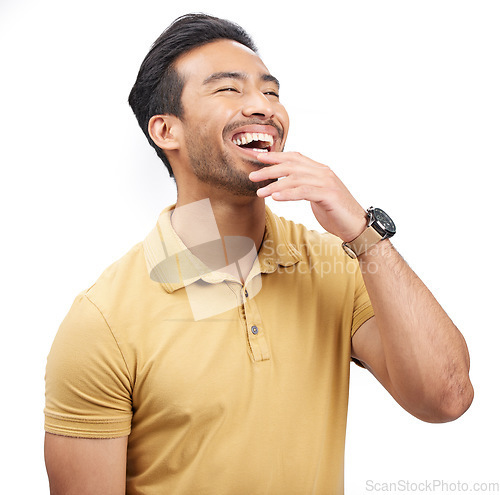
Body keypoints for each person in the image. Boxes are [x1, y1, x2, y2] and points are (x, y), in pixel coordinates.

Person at [44, 13, 473, 495]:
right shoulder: (103, 321)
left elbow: (447, 398)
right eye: (228, 89)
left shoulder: (336, 267)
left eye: (270, 92)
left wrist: (361, 232)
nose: (263, 107)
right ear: (166, 131)